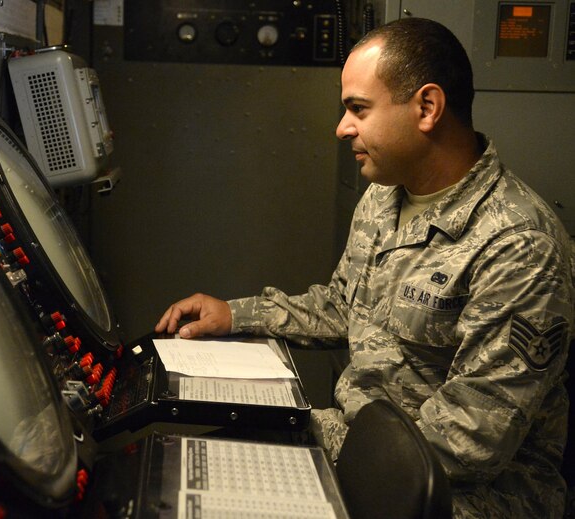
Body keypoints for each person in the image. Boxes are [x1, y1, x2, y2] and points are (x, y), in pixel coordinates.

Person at [155, 17, 574, 519]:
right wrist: (236, 315)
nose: (341, 127)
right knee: (178, 475)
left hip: (461, 495)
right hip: (362, 447)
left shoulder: (519, 245)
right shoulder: (384, 195)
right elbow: (343, 304)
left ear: (427, 108)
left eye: (358, 109)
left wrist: (308, 427)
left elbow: (470, 442)